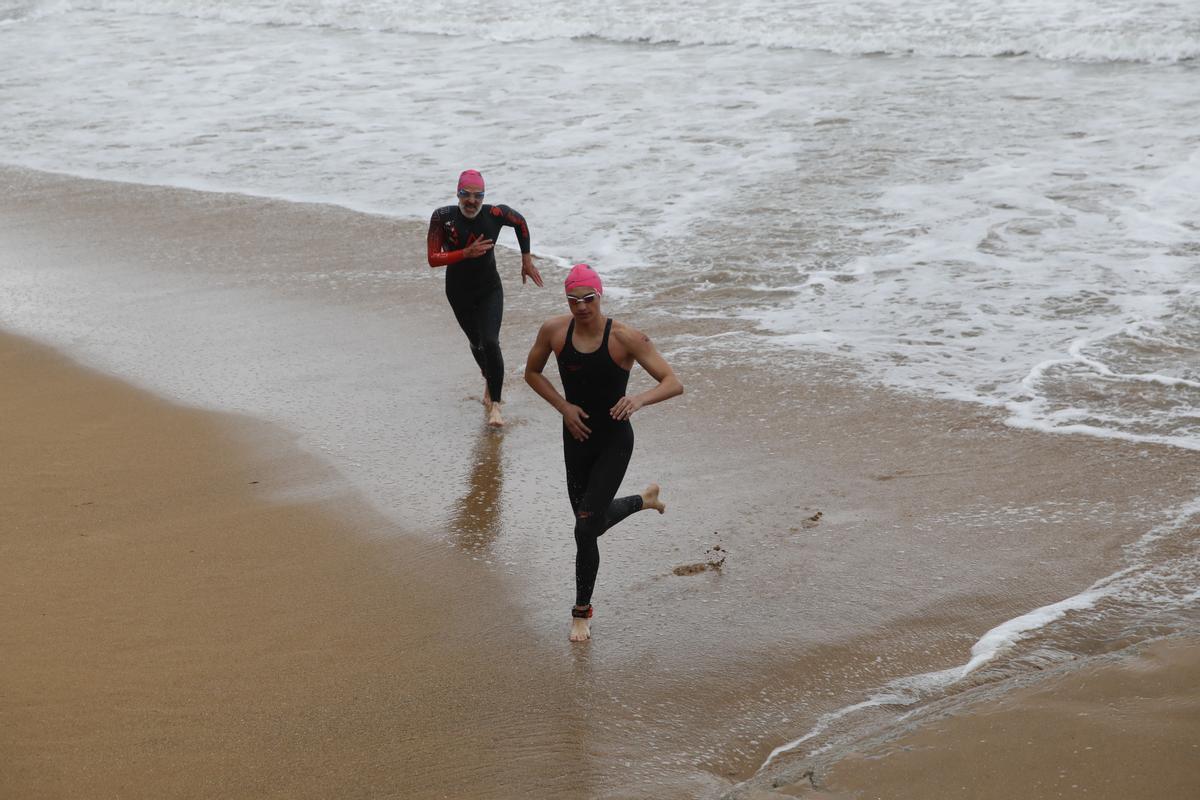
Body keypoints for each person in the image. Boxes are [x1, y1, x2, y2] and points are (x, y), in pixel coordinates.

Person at [524, 263, 683, 641]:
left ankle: (581, 613)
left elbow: (673, 382)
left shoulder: (625, 337)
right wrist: (563, 407)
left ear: (600, 296)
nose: (581, 307)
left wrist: (638, 400)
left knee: (584, 529)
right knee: (589, 524)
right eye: (573, 300)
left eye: (588, 299)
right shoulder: (554, 331)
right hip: (576, 439)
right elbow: (531, 373)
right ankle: (643, 501)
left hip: (614, 440)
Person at [427, 169, 543, 427]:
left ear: (484, 196)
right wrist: (465, 253)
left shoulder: (496, 214)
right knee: (477, 344)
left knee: (491, 342)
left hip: (489, 289)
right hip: (458, 292)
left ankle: (496, 406)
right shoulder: (442, 218)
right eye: (465, 194)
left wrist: (526, 258)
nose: (471, 201)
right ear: (457, 193)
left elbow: (521, 222)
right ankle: (489, 378)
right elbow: (433, 258)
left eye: (478, 195)